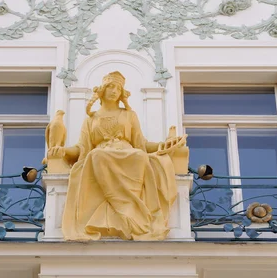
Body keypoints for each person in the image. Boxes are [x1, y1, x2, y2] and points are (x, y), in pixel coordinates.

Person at [47, 71, 187, 240]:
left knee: (141, 156)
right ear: (102, 90)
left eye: (118, 88)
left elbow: (141, 144)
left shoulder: (129, 115)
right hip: (101, 155)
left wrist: (163, 146)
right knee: (96, 154)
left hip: (127, 153)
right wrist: (63, 151)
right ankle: (122, 208)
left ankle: (131, 208)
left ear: (122, 93)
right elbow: (82, 148)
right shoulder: (91, 119)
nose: (114, 91)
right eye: (110, 86)